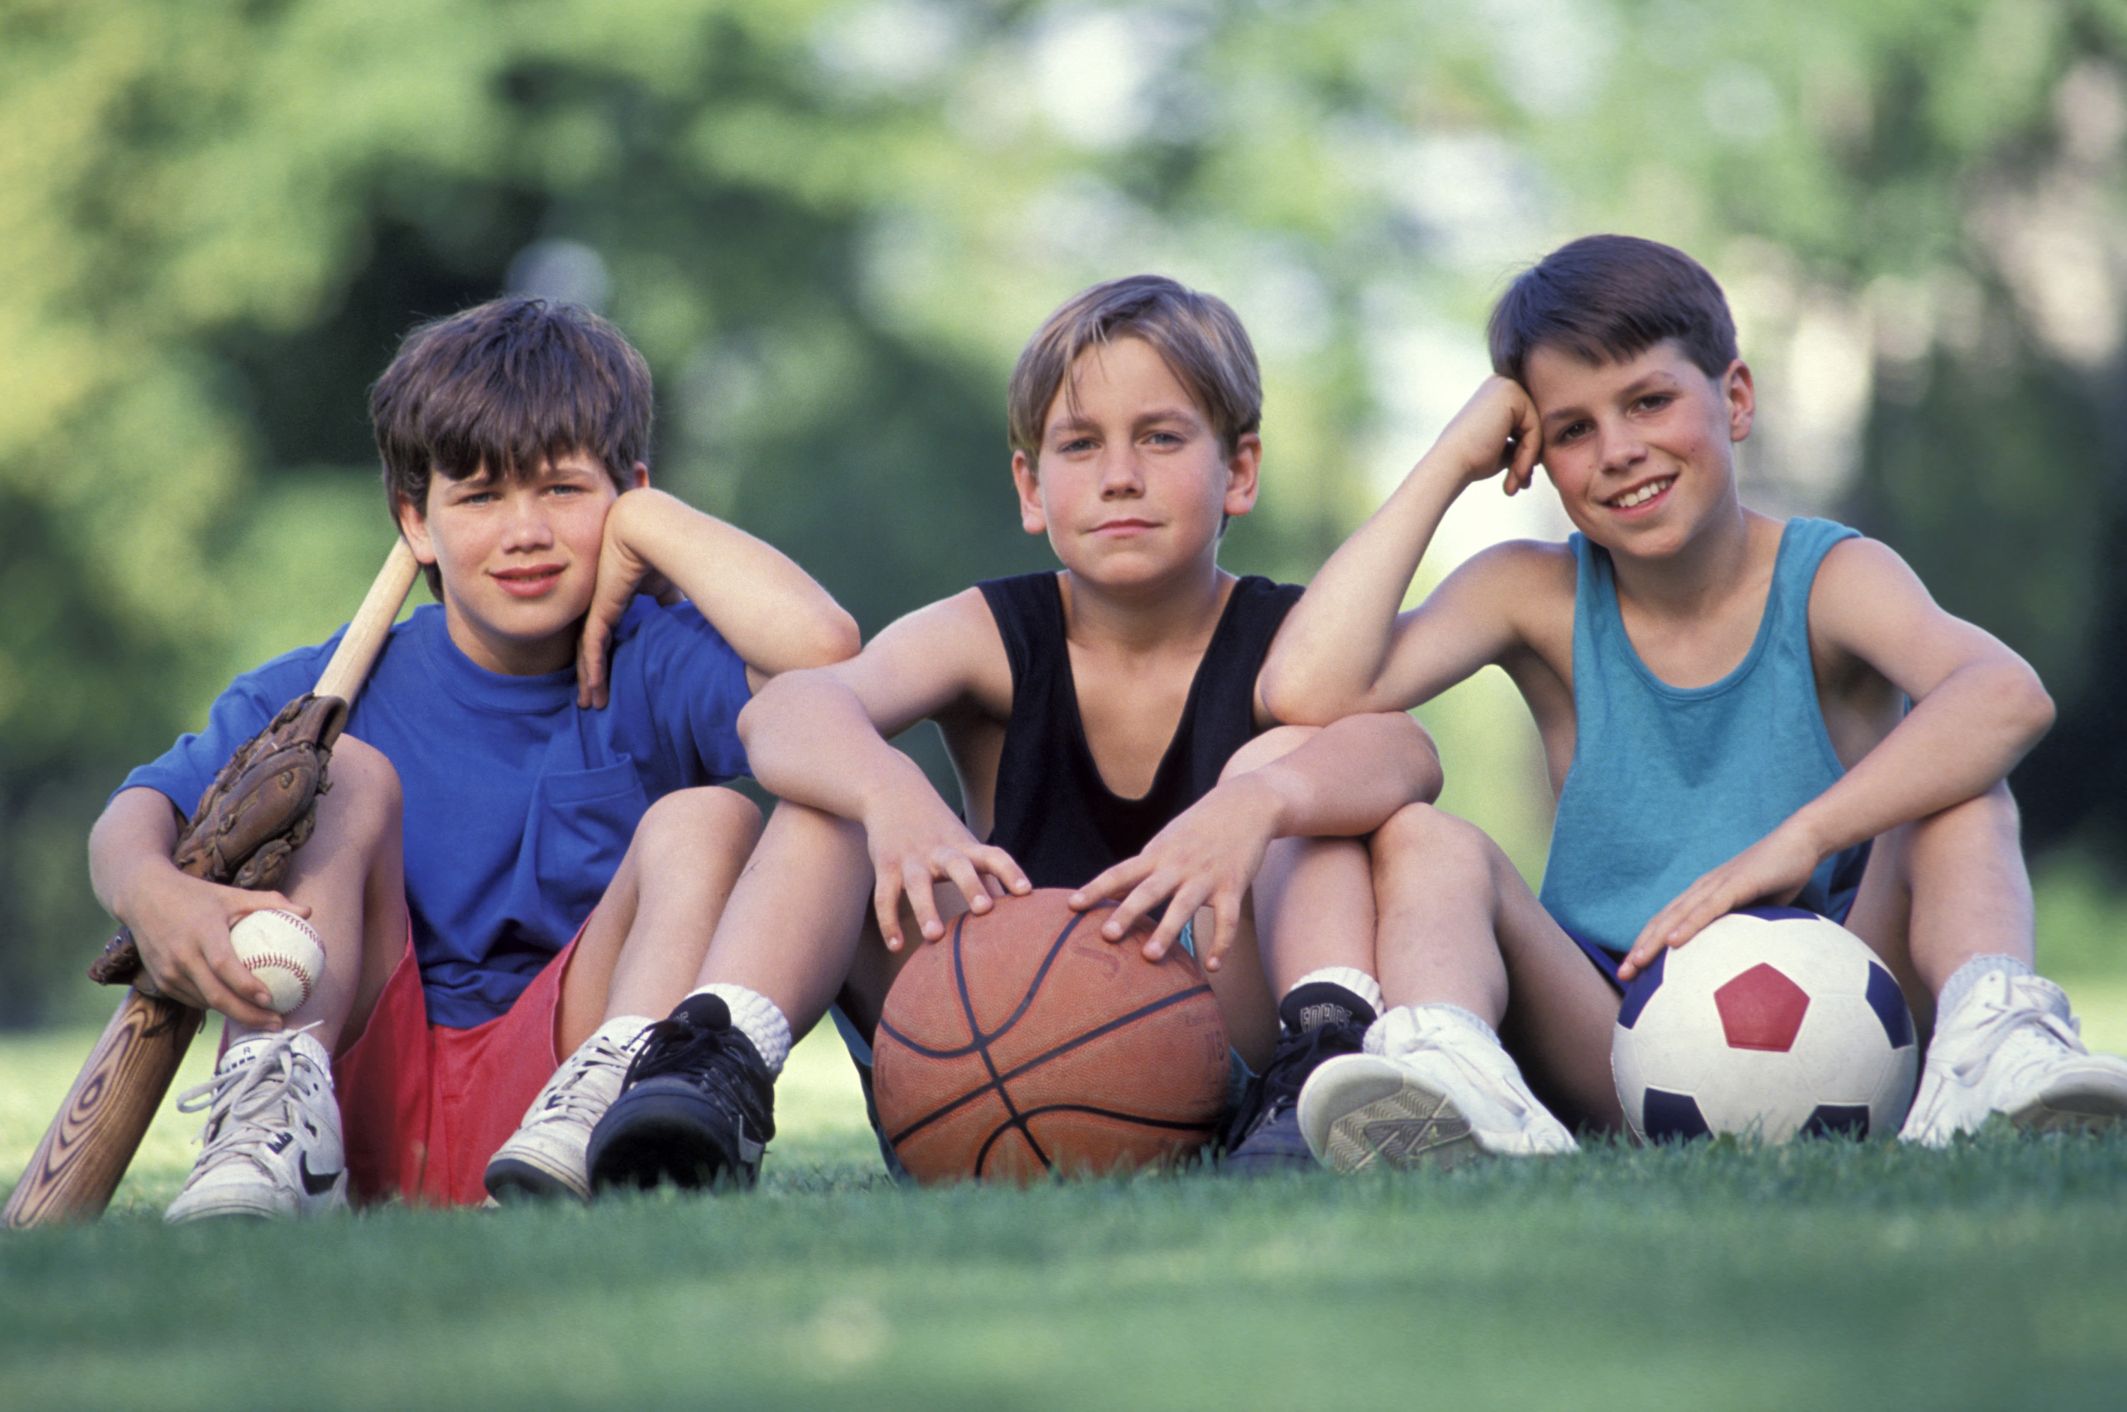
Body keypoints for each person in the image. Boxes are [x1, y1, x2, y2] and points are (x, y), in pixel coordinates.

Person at [578, 273, 1490, 1191]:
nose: (1119, 476)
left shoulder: (1292, 644)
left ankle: (1320, 1058)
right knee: (835, 796)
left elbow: (1406, 754)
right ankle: (721, 1060)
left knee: (1300, 771)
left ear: (1239, 471)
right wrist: (889, 794)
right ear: (1030, 484)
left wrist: (1253, 803)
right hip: (968, 1079)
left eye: (1160, 438)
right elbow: (783, 711)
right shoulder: (990, 631)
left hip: (1228, 1079)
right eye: (1080, 444)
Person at [1260, 233, 2127, 1163]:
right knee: (1425, 838)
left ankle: (1992, 1049)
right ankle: (1458, 1083)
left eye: (1648, 401)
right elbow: (1302, 690)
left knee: (1960, 786)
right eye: (1571, 429)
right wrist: (1446, 462)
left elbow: (2006, 695)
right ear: (1531, 454)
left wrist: (1795, 844)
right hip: (1613, 1032)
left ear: (1735, 398)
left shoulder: (1831, 576)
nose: (1619, 452)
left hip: (1852, 1020)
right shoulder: (1528, 592)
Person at [96, 296, 858, 1219]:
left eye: (563, 490)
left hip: (561, 1101)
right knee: (339, 772)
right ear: (415, 522)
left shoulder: (660, 657)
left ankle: (601, 1114)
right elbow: (141, 809)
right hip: (360, 1087)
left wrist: (655, 528)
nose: (524, 531)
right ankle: (270, 1132)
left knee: (712, 817)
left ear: (629, 496)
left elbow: (825, 653)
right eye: (480, 496)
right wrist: (152, 890)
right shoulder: (335, 682)